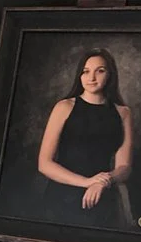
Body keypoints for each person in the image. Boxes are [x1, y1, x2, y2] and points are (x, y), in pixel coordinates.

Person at [37, 48, 133, 228]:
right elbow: (44, 164)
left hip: (103, 198)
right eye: (86, 71)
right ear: (79, 75)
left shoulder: (123, 113)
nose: (92, 77)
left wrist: (103, 182)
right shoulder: (64, 107)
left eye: (100, 71)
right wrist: (87, 182)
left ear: (110, 74)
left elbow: (125, 167)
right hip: (63, 197)